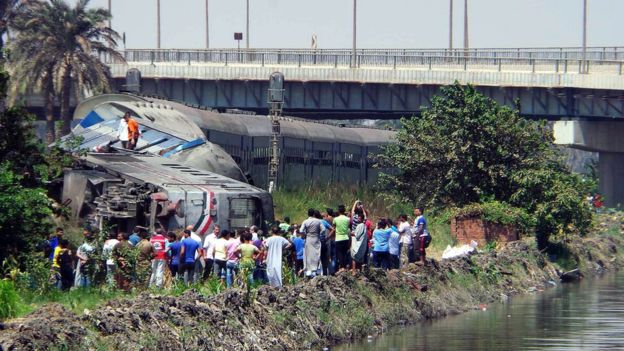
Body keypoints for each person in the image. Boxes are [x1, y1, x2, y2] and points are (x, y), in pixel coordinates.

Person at [300, 208, 322, 278]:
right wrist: (319, 234)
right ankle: (315, 270)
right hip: (316, 239)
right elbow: (323, 230)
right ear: (313, 214)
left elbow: (301, 230)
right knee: (316, 254)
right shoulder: (318, 221)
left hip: (308, 239)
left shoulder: (305, 221)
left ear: (308, 214)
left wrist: (304, 236)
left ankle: (309, 271)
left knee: (308, 255)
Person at [331, 205, 351, 272]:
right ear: (344, 211)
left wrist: (329, 236)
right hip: (346, 238)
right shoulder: (348, 219)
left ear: (338, 211)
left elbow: (333, 228)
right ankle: (344, 267)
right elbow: (348, 227)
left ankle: (341, 267)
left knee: (340, 254)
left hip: (338, 238)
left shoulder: (335, 219)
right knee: (345, 253)